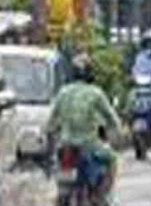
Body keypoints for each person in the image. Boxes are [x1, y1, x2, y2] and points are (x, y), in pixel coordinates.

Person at [45, 53, 122, 198]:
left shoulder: (63, 92)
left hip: (66, 143)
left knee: (57, 164)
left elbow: (51, 122)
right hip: (89, 144)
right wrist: (118, 131)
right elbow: (112, 118)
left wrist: (50, 134)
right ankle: (103, 195)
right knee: (112, 159)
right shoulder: (95, 93)